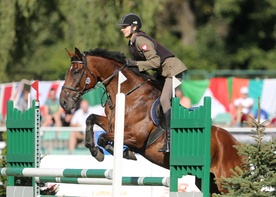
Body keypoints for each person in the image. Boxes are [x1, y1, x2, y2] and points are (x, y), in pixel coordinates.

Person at [118, 13, 188, 152]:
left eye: (125, 26)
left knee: (163, 100)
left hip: (172, 70)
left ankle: (170, 140)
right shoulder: (132, 42)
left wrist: (135, 64)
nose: (122, 29)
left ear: (134, 27)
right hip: (163, 72)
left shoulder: (140, 40)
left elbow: (155, 62)